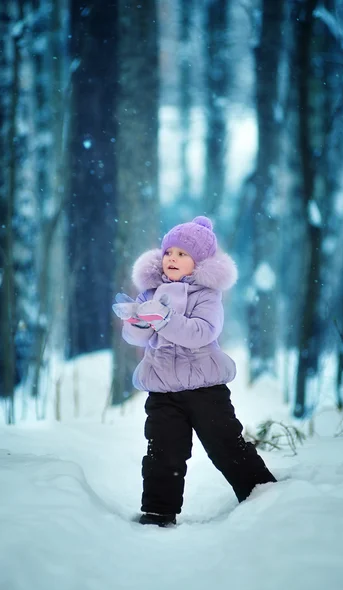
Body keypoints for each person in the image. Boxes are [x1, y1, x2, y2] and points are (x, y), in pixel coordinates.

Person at [112, 216, 276, 527]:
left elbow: (200, 332)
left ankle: (262, 493)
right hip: (162, 390)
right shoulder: (151, 292)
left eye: (182, 254)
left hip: (205, 389)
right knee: (163, 453)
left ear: (198, 262)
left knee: (225, 444)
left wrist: (162, 319)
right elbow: (138, 338)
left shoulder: (207, 295)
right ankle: (158, 512)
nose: (172, 259)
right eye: (168, 252)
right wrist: (136, 321)